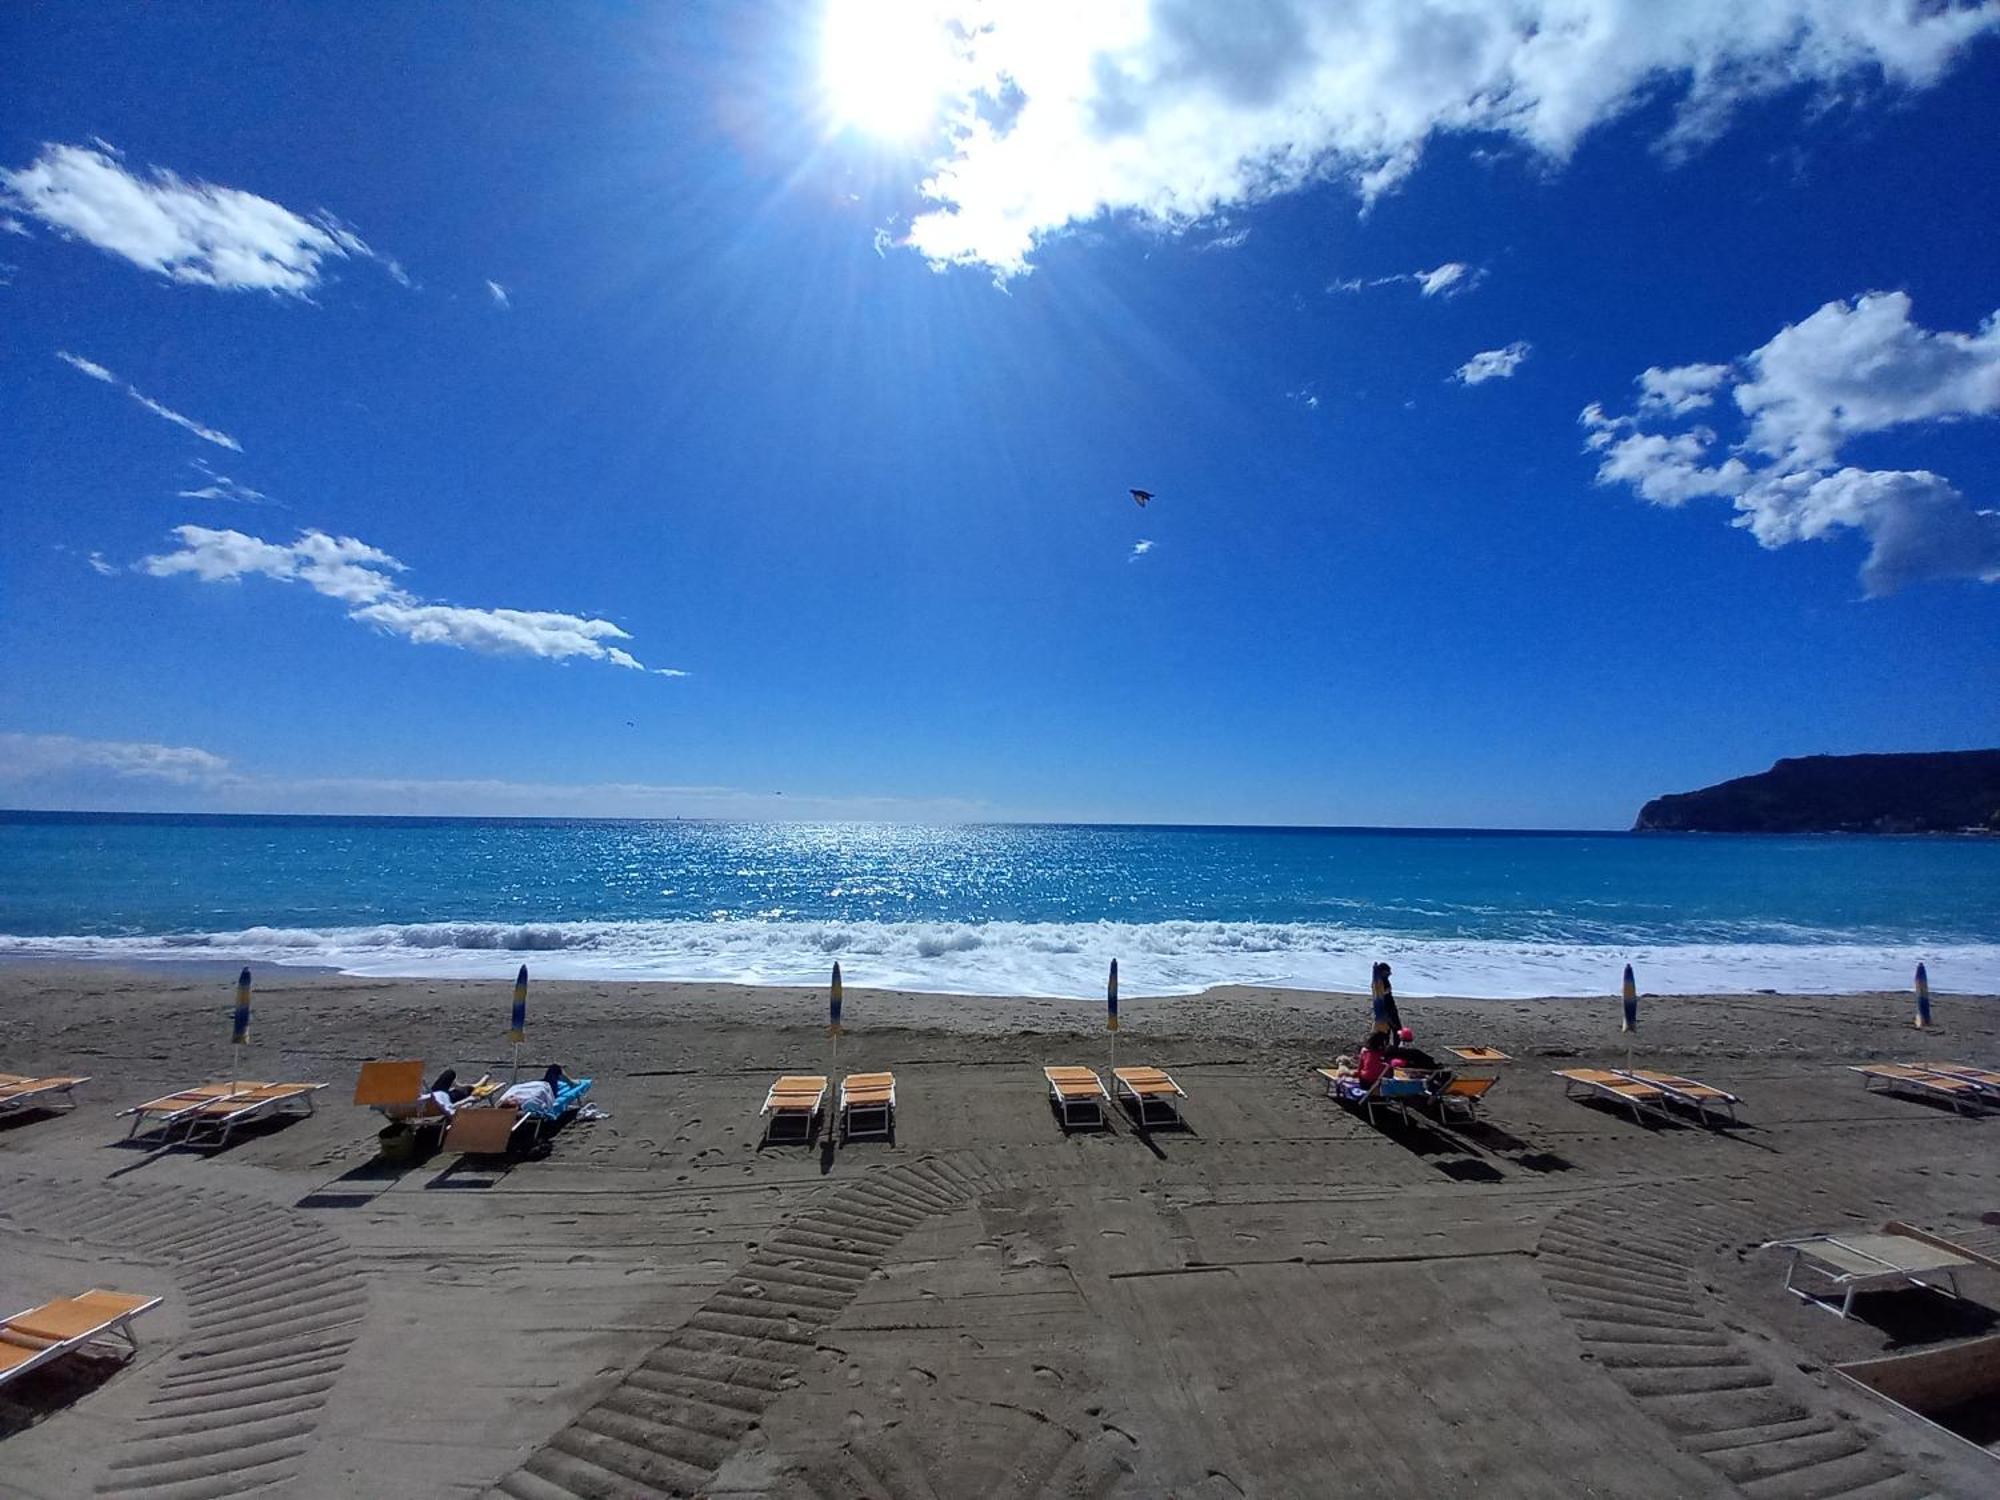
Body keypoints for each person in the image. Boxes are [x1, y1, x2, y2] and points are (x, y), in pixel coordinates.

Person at [497, 1063, 572, 1113]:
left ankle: (567, 1080)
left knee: (551, 1074)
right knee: (554, 1068)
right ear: (515, 1106)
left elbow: (514, 1089)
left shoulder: (509, 1100)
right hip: (548, 1089)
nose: (512, 1097)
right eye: (512, 1099)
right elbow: (543, 1105)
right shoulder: (528, 1104)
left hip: (538, 1085)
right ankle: (571, 1082)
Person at [1371, 961, 1404, 1037]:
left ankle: (1386, 1045)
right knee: (1395, 1028)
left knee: (1388, 1029)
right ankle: (1394, 1046)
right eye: (1387, 972)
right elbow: (1380, 993)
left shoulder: (1382, 980)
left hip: (1388, 1007)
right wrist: (1386, 991)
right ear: (1383, 972)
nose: (1389, 974)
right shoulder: (1379, 982)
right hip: (1386, 1008)